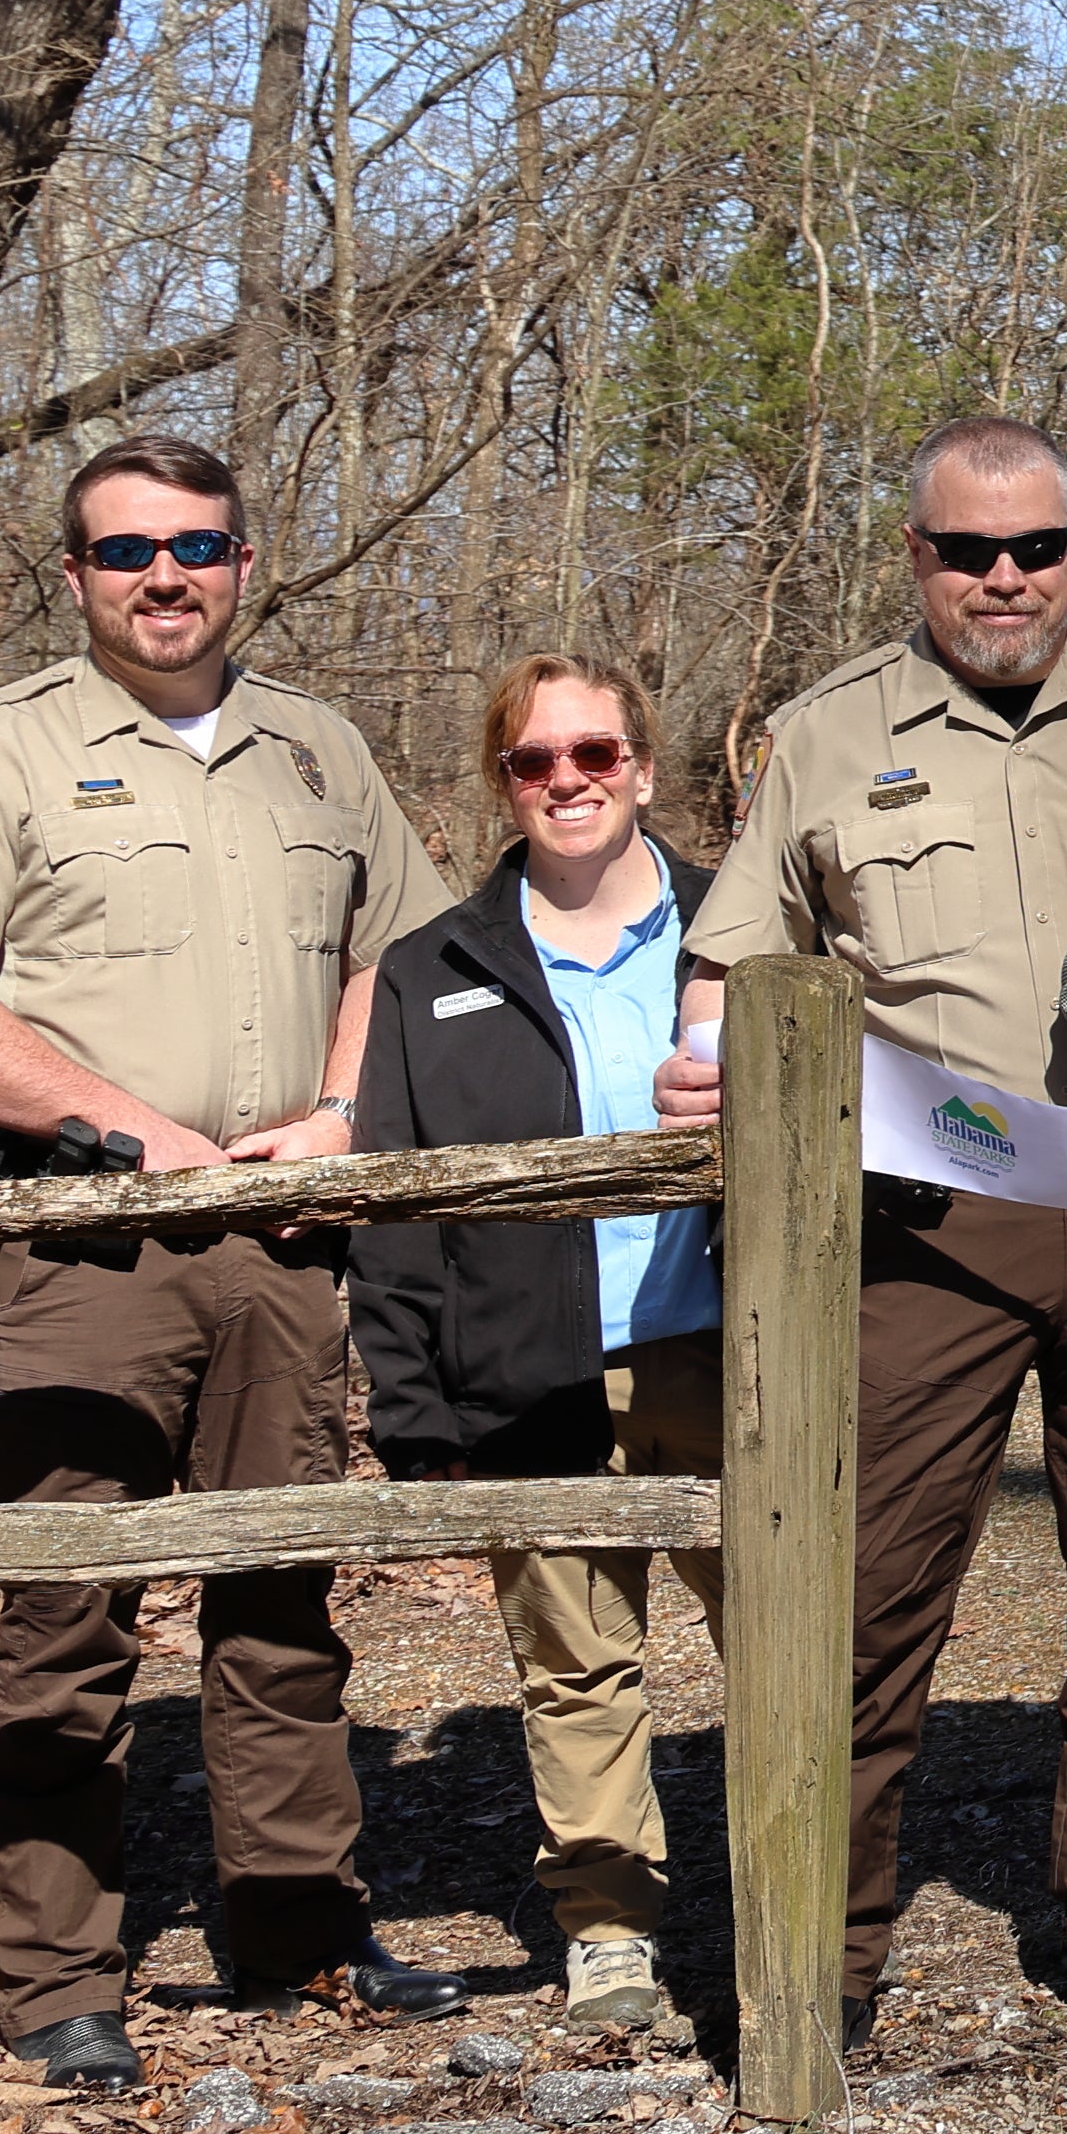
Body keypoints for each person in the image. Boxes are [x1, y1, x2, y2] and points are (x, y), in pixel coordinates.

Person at [0, 432, 463, 2085]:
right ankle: (54, 1974)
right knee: (70, 1607)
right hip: (75, 1245)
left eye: (198, 544)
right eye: (127, 553)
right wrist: (130, 1137)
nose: (166, 576)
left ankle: (299, 1936)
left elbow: (400, 951)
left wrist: (342, 1111)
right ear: (75, 577)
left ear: (246, 560)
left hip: (280, 1239)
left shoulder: (318, 753)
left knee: (281, 1600)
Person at [663, 419, 1067, 2062]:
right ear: (913, 555)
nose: (1003, 579)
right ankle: (820, 1943)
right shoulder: (828, 736)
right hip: (923, 1225)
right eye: (966, 550)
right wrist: (708, 1059)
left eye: (1034, 548)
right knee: (864, 1592)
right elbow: (735, 973)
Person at [351, 654, 727, 2041]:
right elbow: (395, 1206)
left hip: (726, 1349)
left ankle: (803, 1886)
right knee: (575, 1661)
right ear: (501, 781)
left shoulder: (733, 933)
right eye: (533, 762)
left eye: (594, 754)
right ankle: (610, 1922)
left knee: (788, 1632)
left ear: (643, 765)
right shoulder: (435, 968)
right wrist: (413, 1406)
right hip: (532, 1363)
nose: (567, 781)